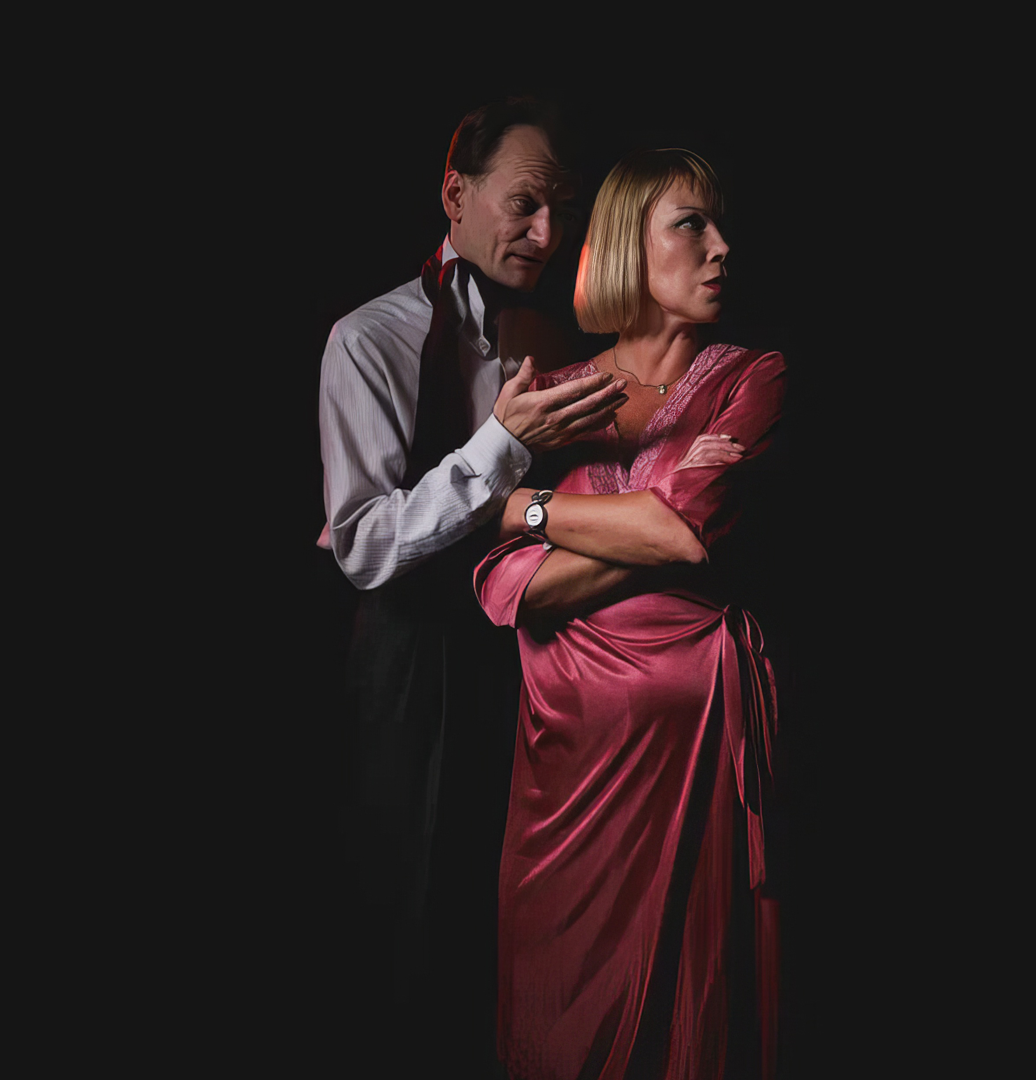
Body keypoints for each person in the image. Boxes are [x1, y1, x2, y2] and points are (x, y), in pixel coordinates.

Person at [317, 99, 629, 1067]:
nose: (547, 232)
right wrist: (501, 445)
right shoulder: (367, 339)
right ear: (455, 194)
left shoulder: (561, 336)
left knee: (523, 921)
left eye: (563, 210)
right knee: (409, 924)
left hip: (541, 657)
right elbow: (364, 545)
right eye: (525, 204)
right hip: (414, 669)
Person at [474, 149, 785, 1079]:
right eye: (692, 224)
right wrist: (636, 528)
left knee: (693, 1015)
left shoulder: (754, 376)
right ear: (626, 245)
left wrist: (522, 509)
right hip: (563, 775)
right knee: (553, 1017)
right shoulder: (550, 393)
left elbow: (686, 533)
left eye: (721, 225)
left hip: (694, 760)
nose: (722, 247)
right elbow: (503, 585)